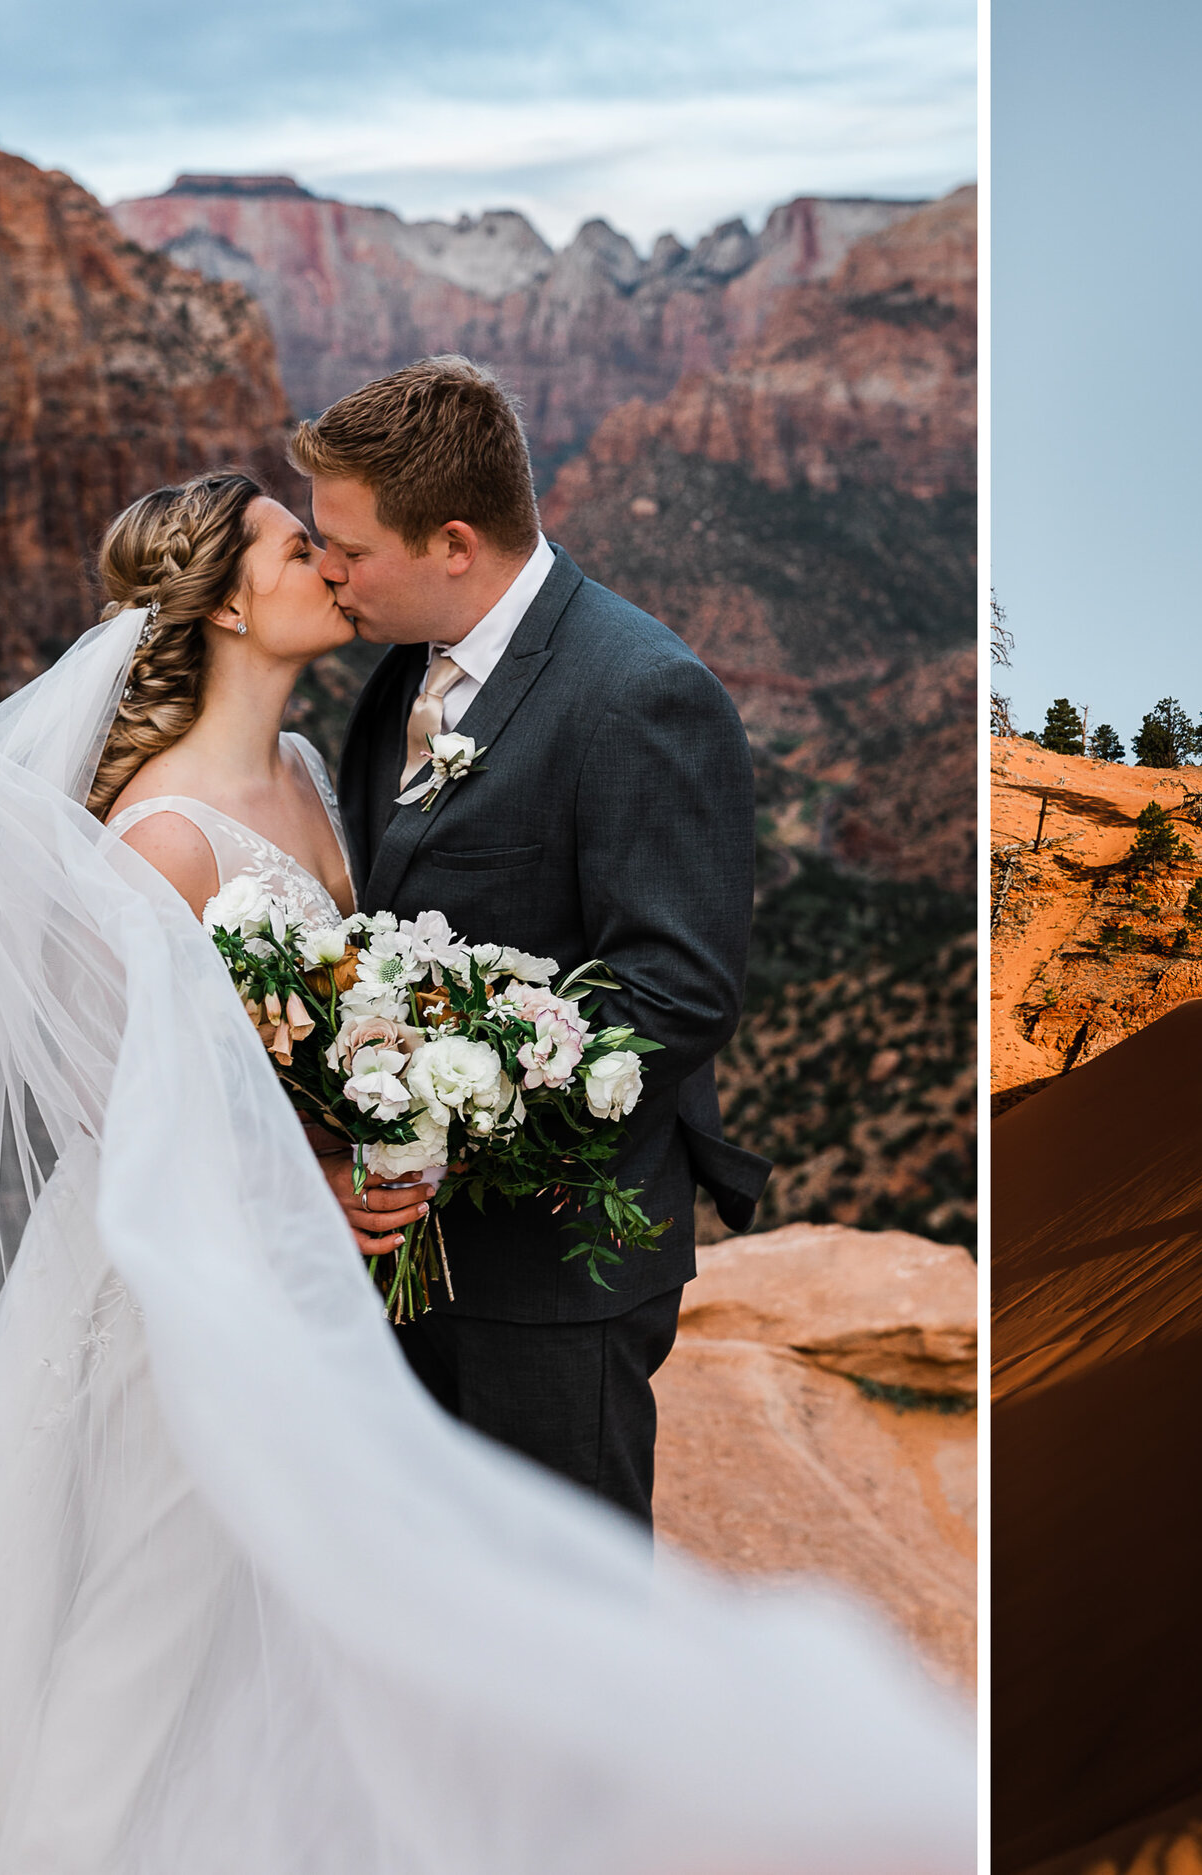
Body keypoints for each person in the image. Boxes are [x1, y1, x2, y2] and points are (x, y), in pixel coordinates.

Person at [0, 470, 969, 1873]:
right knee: (151, 1614)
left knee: (280, 1622)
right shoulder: (165, 836)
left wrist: (376, 1124)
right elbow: (105, 1099)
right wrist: (306, 1166)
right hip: (179, 1285)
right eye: (290, 544)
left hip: (320, 1266)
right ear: (219, 607)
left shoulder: (320, 774)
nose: (325, 562)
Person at [299, 355, 767, 1528]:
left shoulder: (641, 691)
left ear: (453, 543)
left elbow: (677, 992)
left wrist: (441, 1115)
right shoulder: (396, 670)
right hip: (404, 1262)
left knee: (570, 1631)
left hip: (555, 1273)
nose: (325, 571)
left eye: (347, 550)